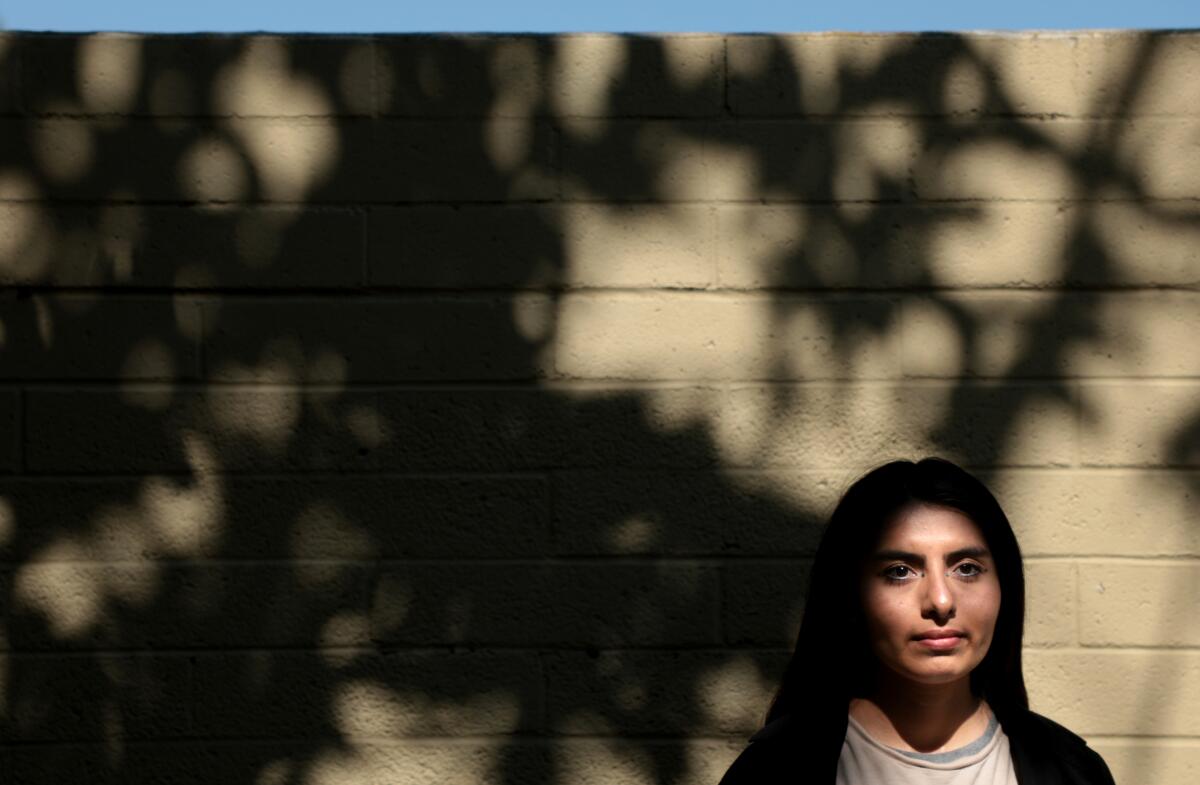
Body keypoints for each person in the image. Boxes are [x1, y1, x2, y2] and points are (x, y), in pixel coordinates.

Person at [718, 458, 1115, 785]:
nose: (940, 601)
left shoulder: (1072, 772)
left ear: (1004, 586)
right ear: (851, 594)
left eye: (966, 568)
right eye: (899, 571)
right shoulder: (774, 770)